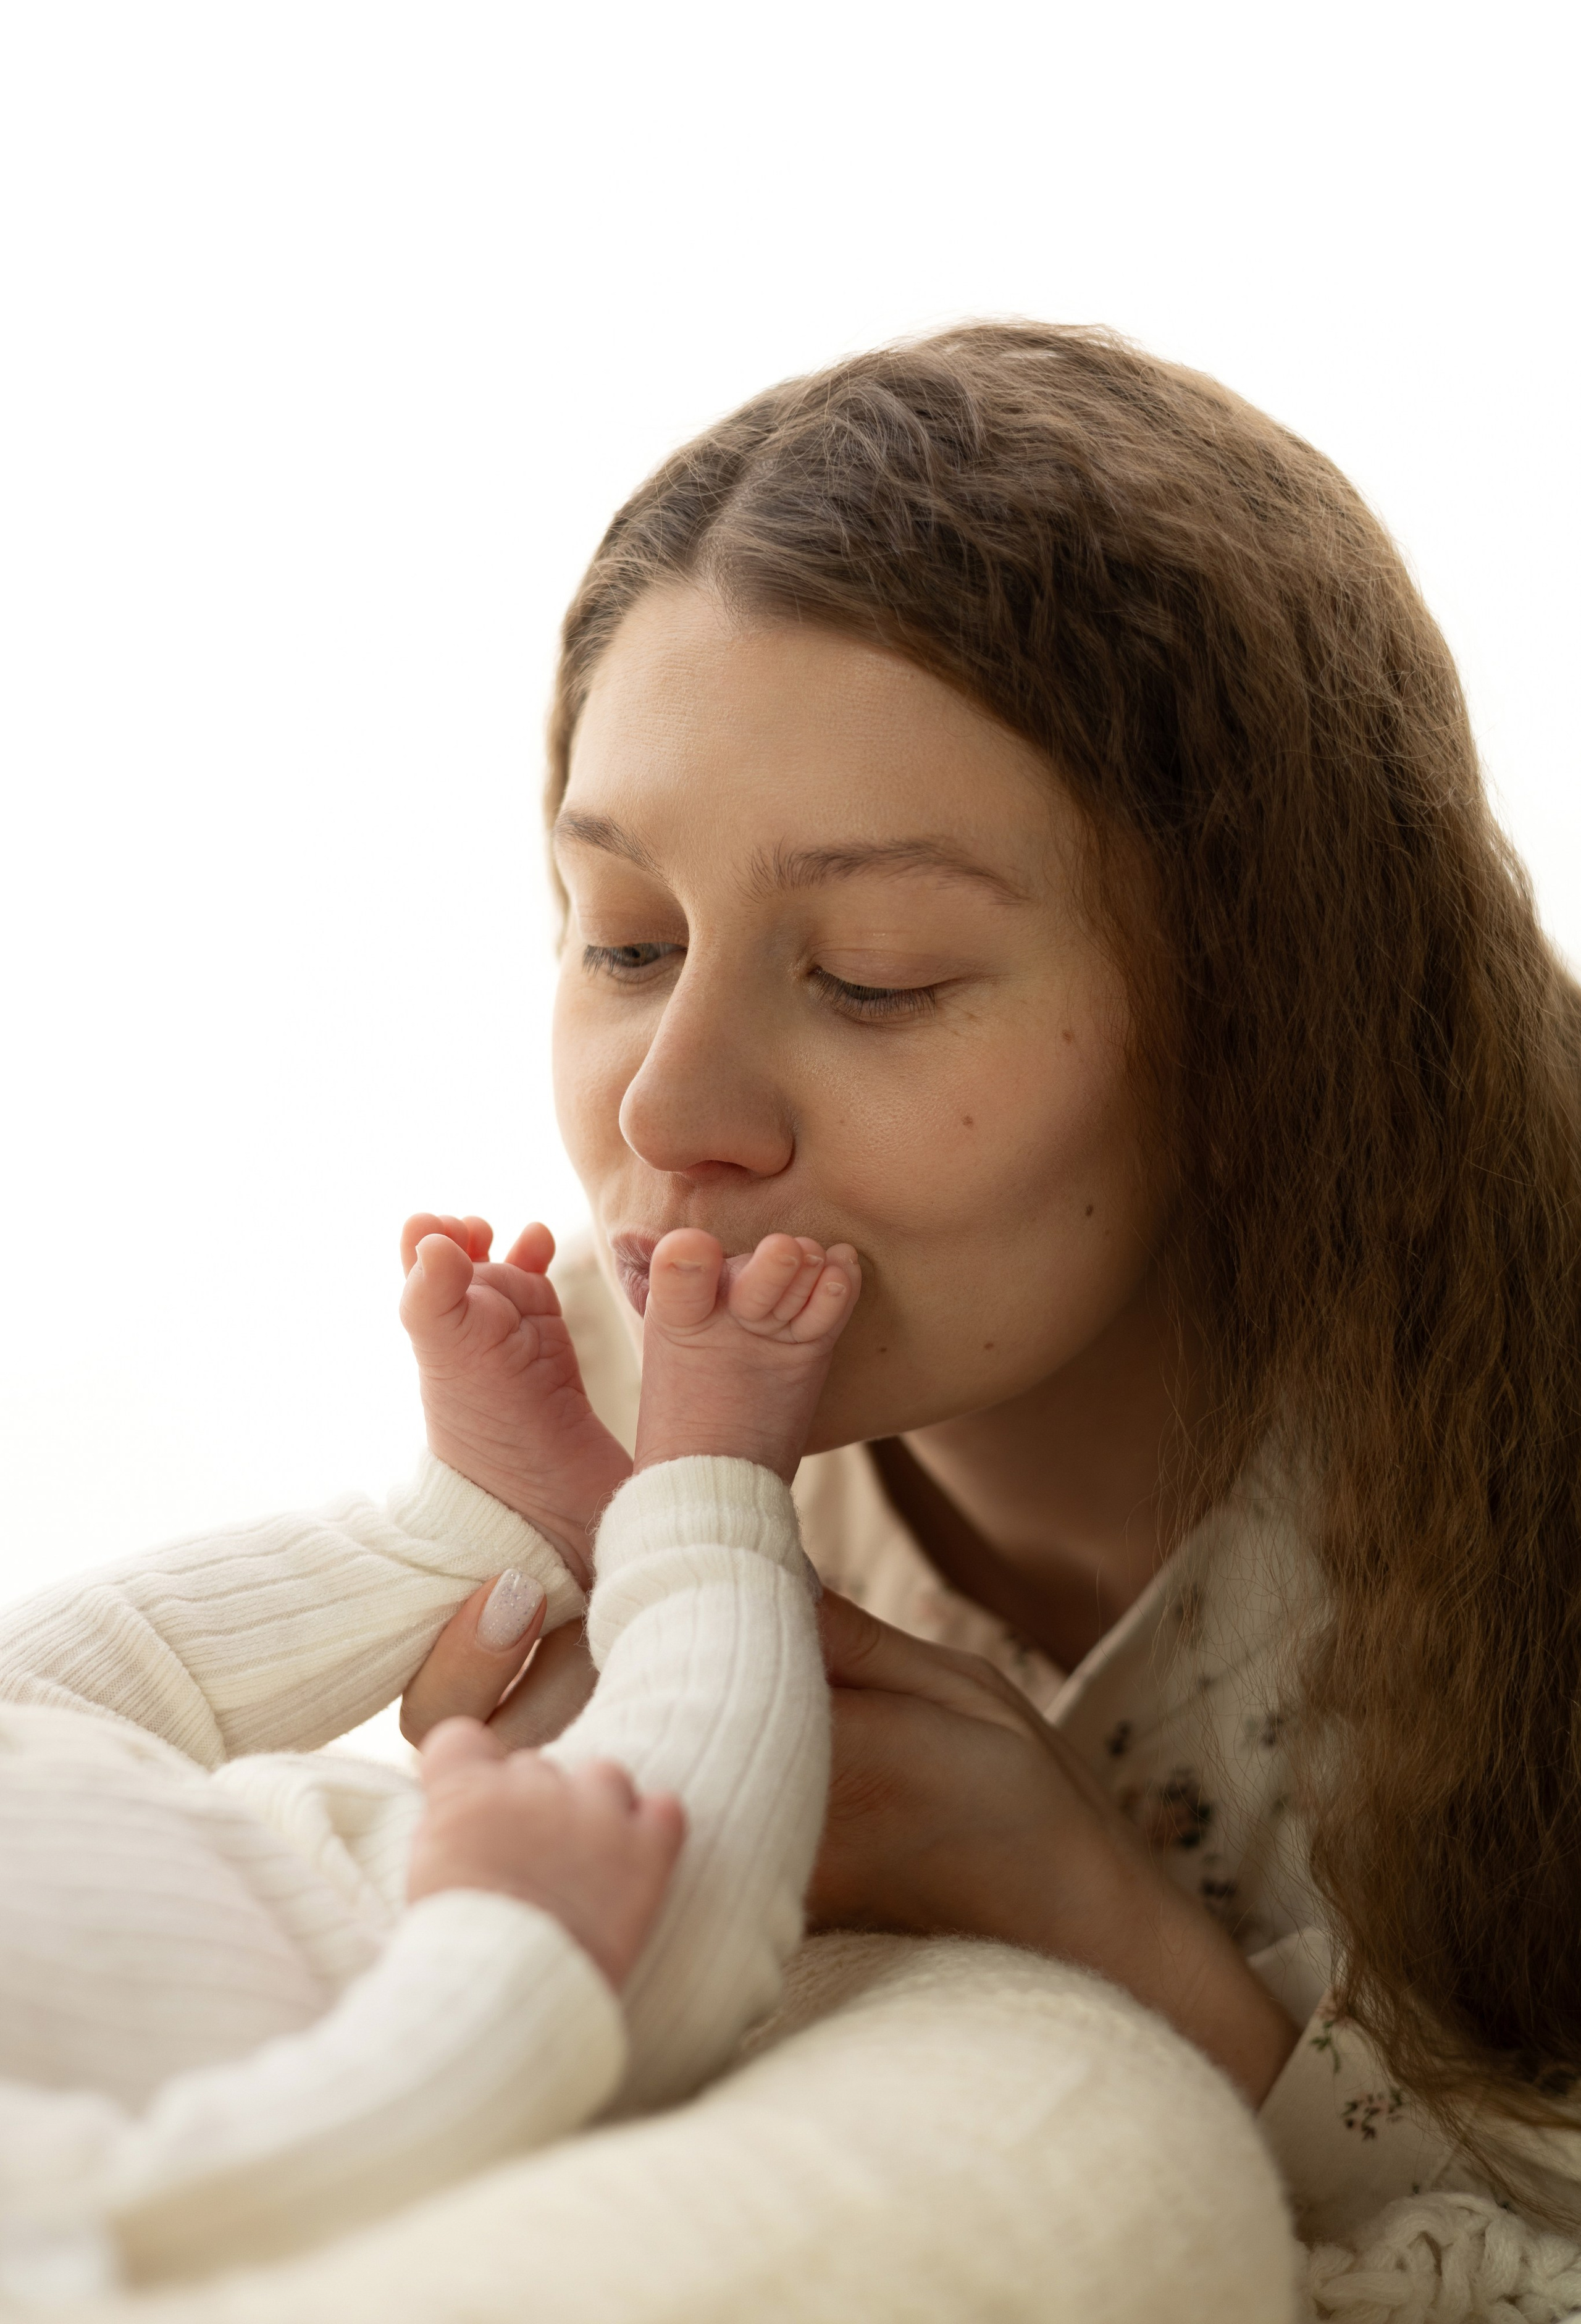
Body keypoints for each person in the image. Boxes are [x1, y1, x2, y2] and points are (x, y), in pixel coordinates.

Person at [403, 320, 1581, 2263]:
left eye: (874, 974)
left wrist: (1093, 1926)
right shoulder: (601, 1413)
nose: (672, 1114)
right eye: (623, 941)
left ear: (1263, 1021)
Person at [0, 1218, 858, 2296]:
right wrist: (513, 1940)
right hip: (413, 1968)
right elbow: (225, 2204)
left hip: (104, 1820)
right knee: (665, 1900)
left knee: (32, 1685)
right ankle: (710, 1502)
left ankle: (475, 1530)